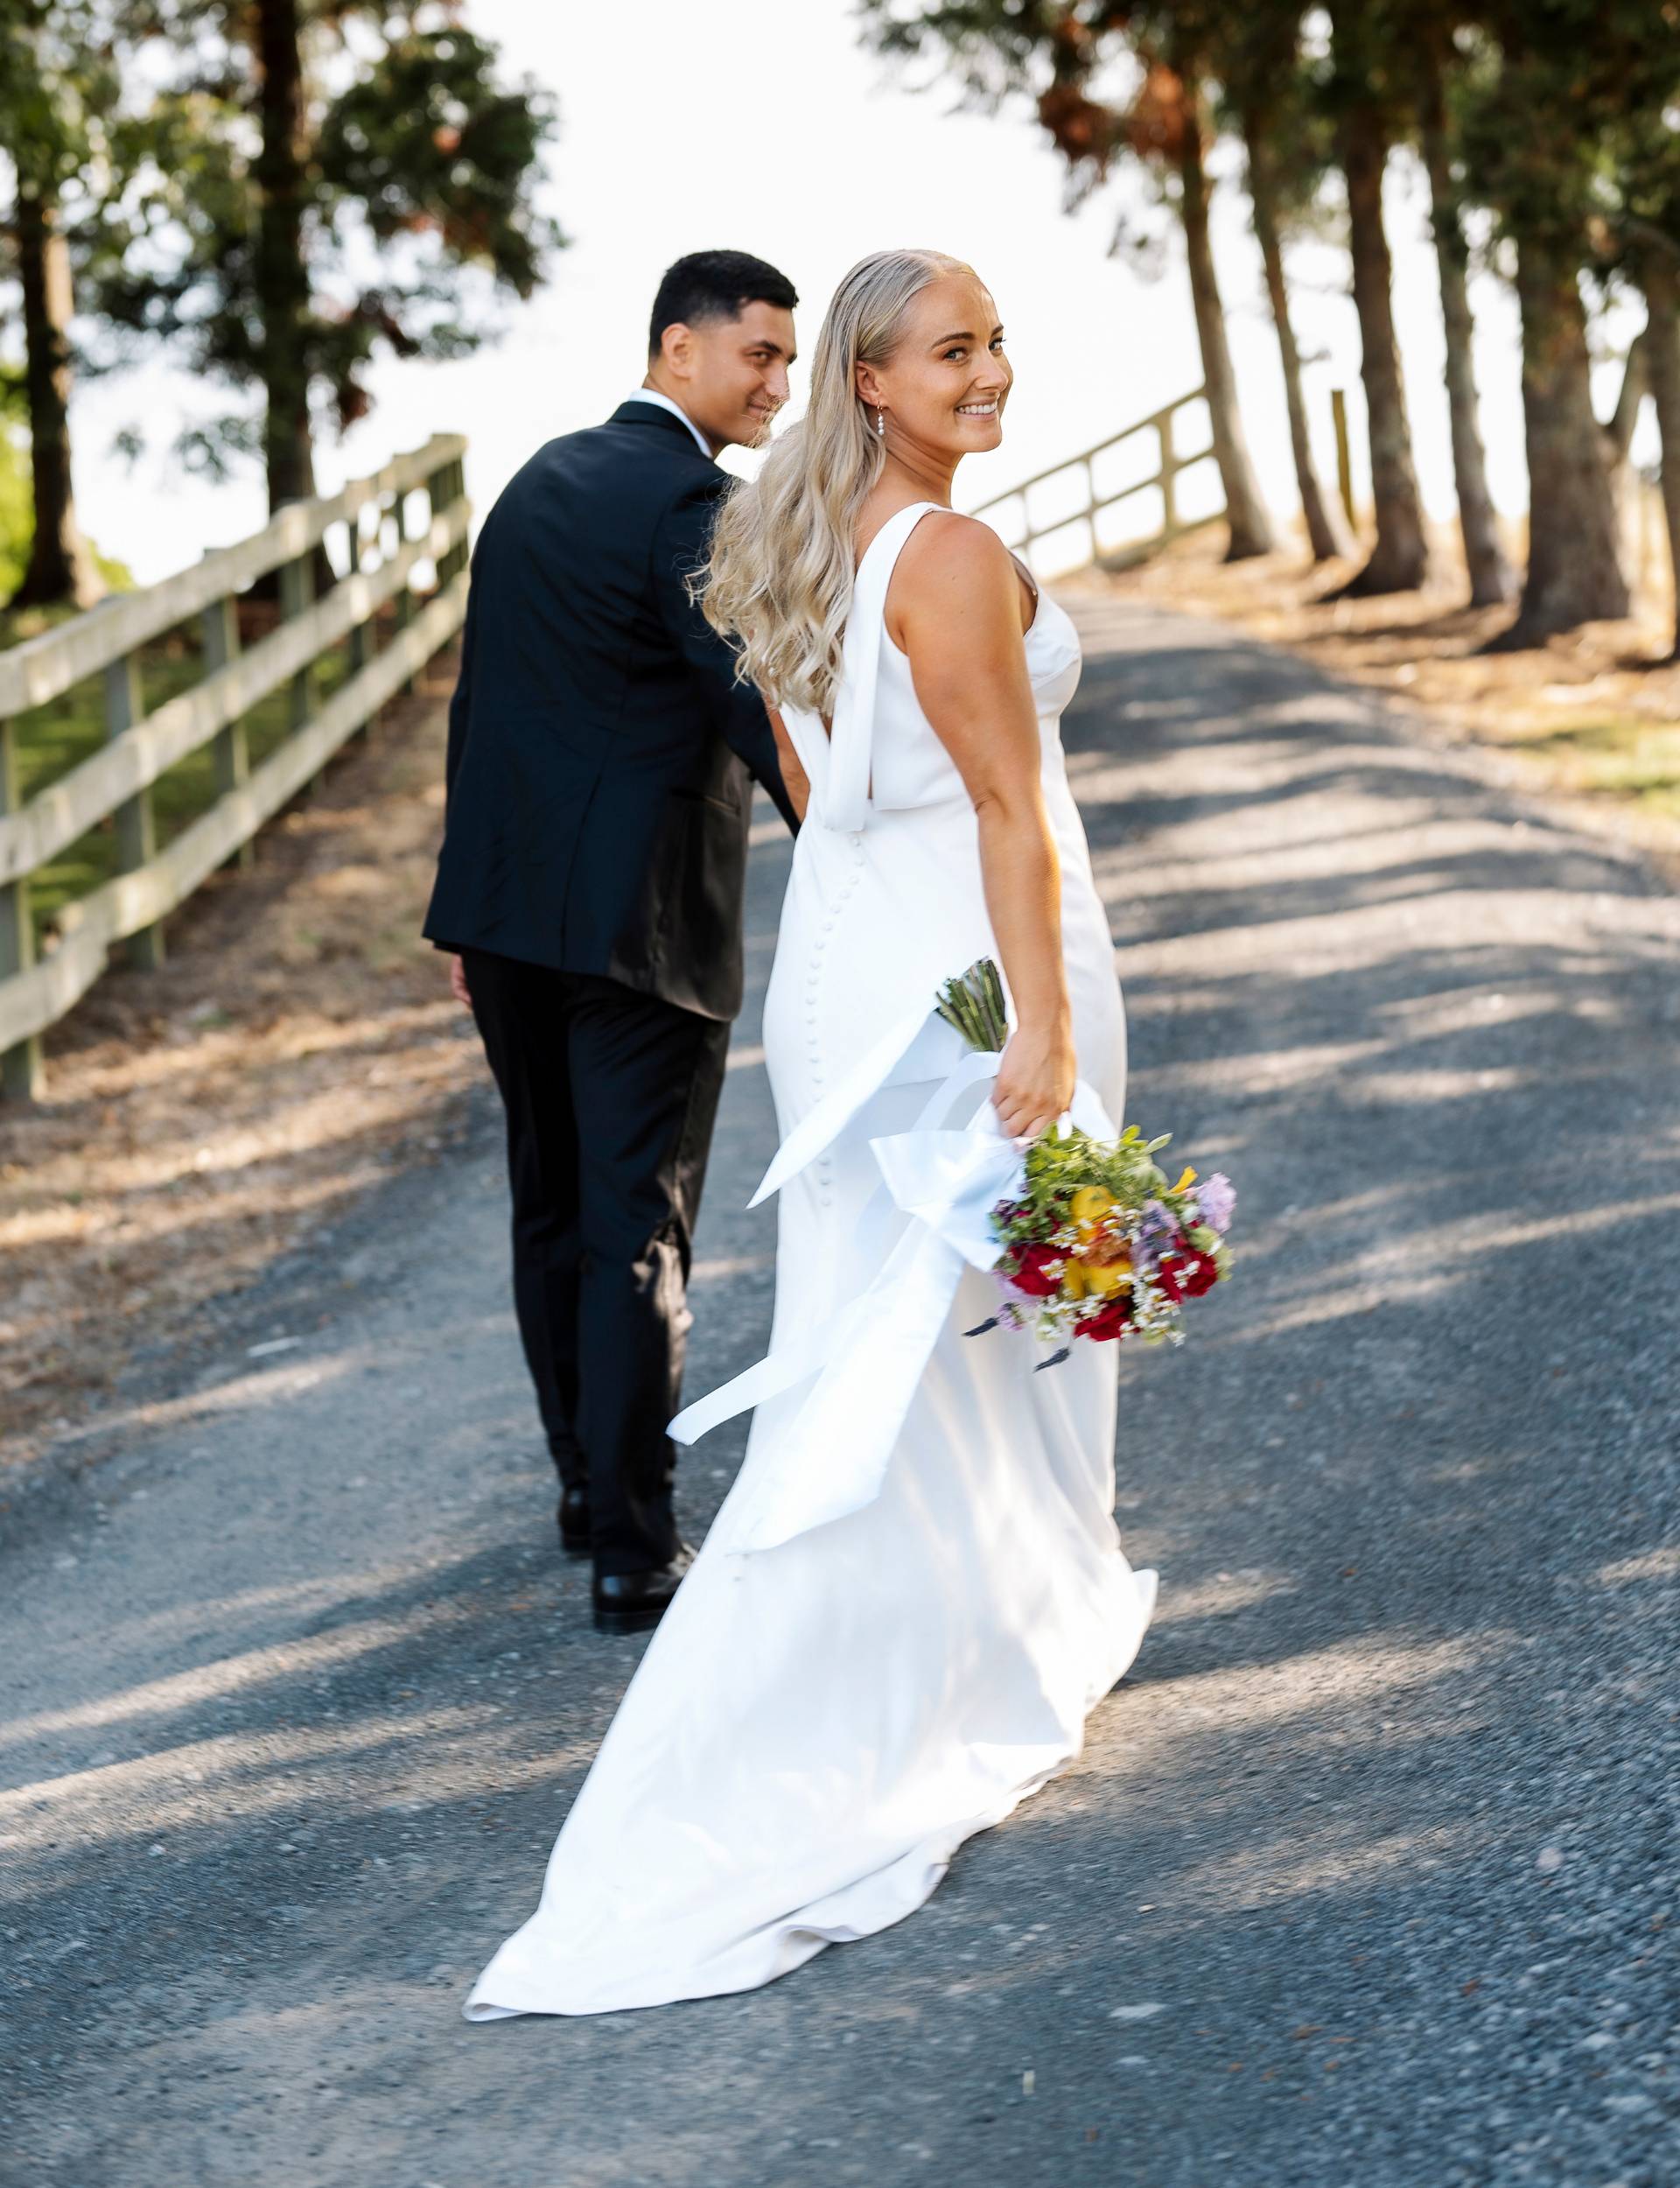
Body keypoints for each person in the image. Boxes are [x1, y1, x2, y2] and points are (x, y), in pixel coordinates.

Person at [464, 249, 1155, 2021]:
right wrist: (1048, 1032)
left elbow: (817, 777)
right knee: (956, 1330)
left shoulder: (787, 545)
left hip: (848, 969)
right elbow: (1007, 804)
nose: (993, 370)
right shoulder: (944, 556)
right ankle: (892, 1656)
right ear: (868, 378)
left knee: (892, 1332)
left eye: (999, 339)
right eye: (954, 348)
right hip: (966, 974)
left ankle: (947, 1604)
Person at [424, 250, 802, 1637]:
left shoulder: (534, 482)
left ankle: (588, 1492)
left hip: (508, 916)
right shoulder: (699, 504)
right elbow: (748, 703)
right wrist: (851, 843)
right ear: (676, 350)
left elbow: (484, 704)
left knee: (552, 1209)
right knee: (635, 1228)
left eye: (786, 357)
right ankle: (637, 1556)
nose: (779, 382)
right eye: (758, 353)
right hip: (641, 926)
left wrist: (464, 901)